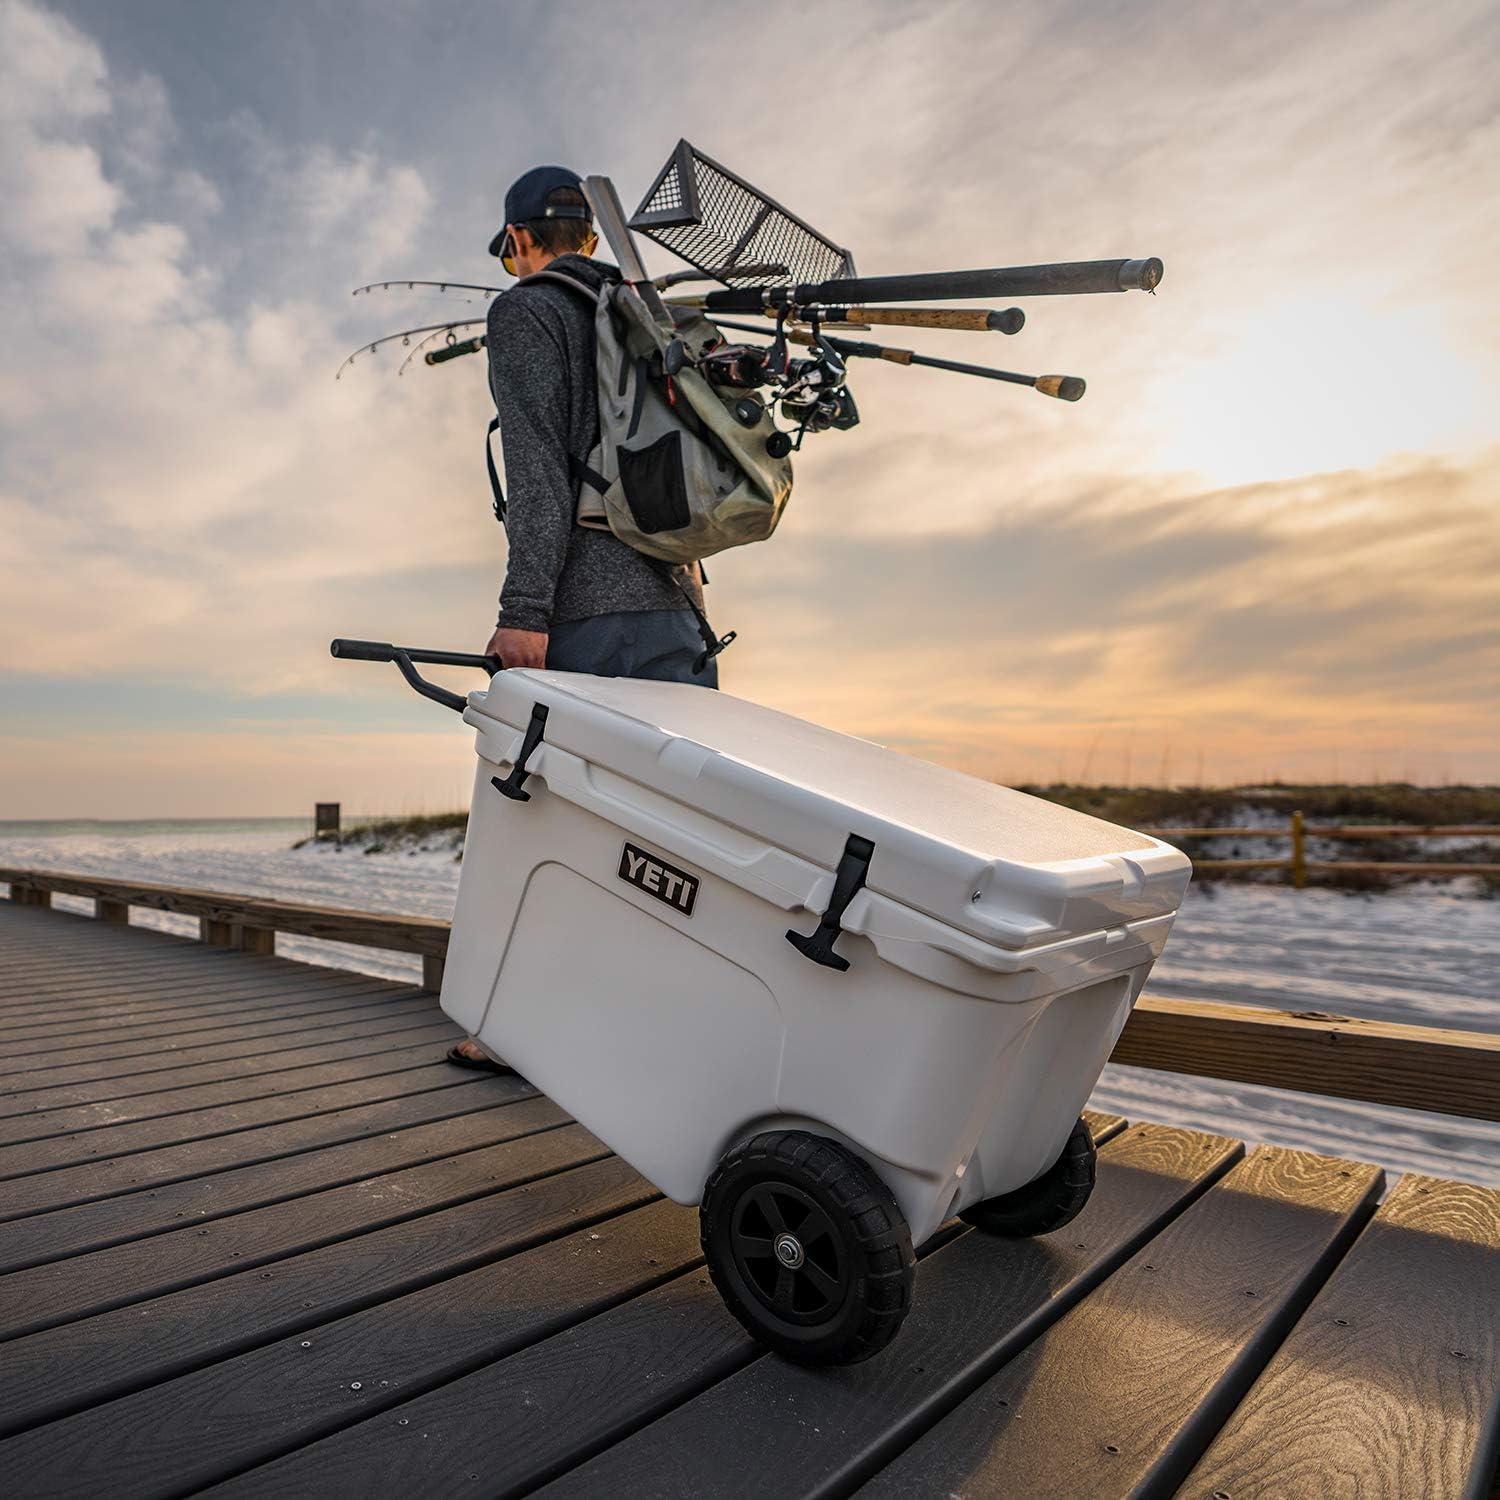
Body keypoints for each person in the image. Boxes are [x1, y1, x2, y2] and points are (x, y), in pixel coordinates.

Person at [448, 163, 718, 1075]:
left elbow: (537, 473)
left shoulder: (526, 312)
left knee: (548, 824)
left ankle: (519, 1028)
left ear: (520, 240)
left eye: (507, 250)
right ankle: (655, 1033)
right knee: (668, 836)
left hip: (588, 620)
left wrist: (524, 611)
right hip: (681, 610)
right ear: (590, 237)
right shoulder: (648, 315)